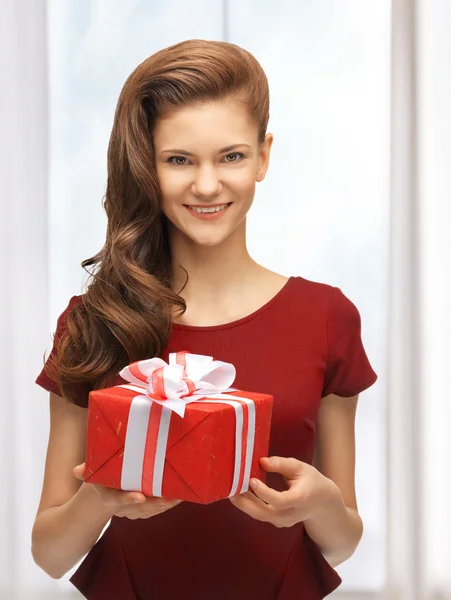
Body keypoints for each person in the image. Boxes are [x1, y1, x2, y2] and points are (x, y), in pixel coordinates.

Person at [32, 38, 378, 600]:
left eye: (232, 156)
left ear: (264, 157)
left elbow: (341, 543)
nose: (208, 185)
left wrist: (319, 504)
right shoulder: (94, 322)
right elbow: (49, 554)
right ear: (147, 165)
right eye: (179, 159)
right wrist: (99, 496)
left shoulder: (327, 317)